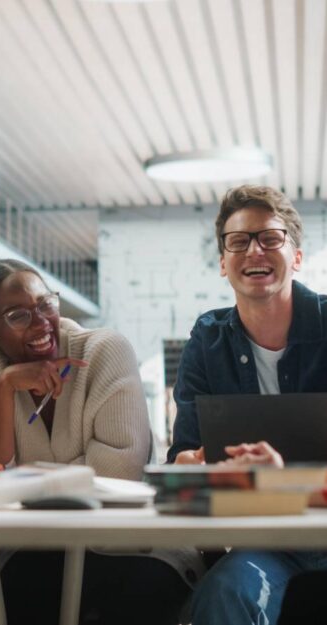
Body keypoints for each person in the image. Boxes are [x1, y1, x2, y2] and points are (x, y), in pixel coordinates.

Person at [0, 259, 201, 625]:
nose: (40, 323)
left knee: (131, 596)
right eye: (18, 316)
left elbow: (118, 475)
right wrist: (5, 388)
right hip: (30, 550)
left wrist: (20, 484)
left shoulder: (104, 350)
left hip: (127, 546)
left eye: (44, 305)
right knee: (29, 593)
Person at [168, 184, 327, 625]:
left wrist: (287, 482)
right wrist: (191, 464)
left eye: (270, 238)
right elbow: (184, 453)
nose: (254, 250)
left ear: (296, 256)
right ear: (223, 262)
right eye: (239, 241)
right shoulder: (208, 337)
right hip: (267, 543)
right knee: (224, 594)